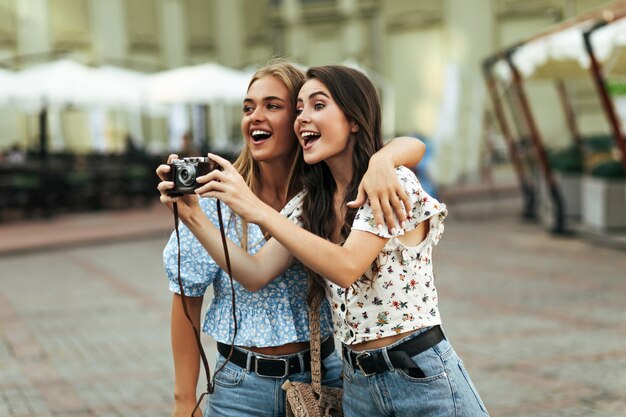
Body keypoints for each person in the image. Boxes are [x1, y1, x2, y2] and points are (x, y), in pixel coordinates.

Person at [158, 65, 489, 416]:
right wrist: (192, 215)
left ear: (354, 119)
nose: (303, 118)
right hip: (356, 385)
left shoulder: (388, 184)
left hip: (418, 375)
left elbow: (346, 266)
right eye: (299, 109)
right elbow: (254, 272)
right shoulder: (310, 204)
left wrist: (384, 159)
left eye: (317, 106)